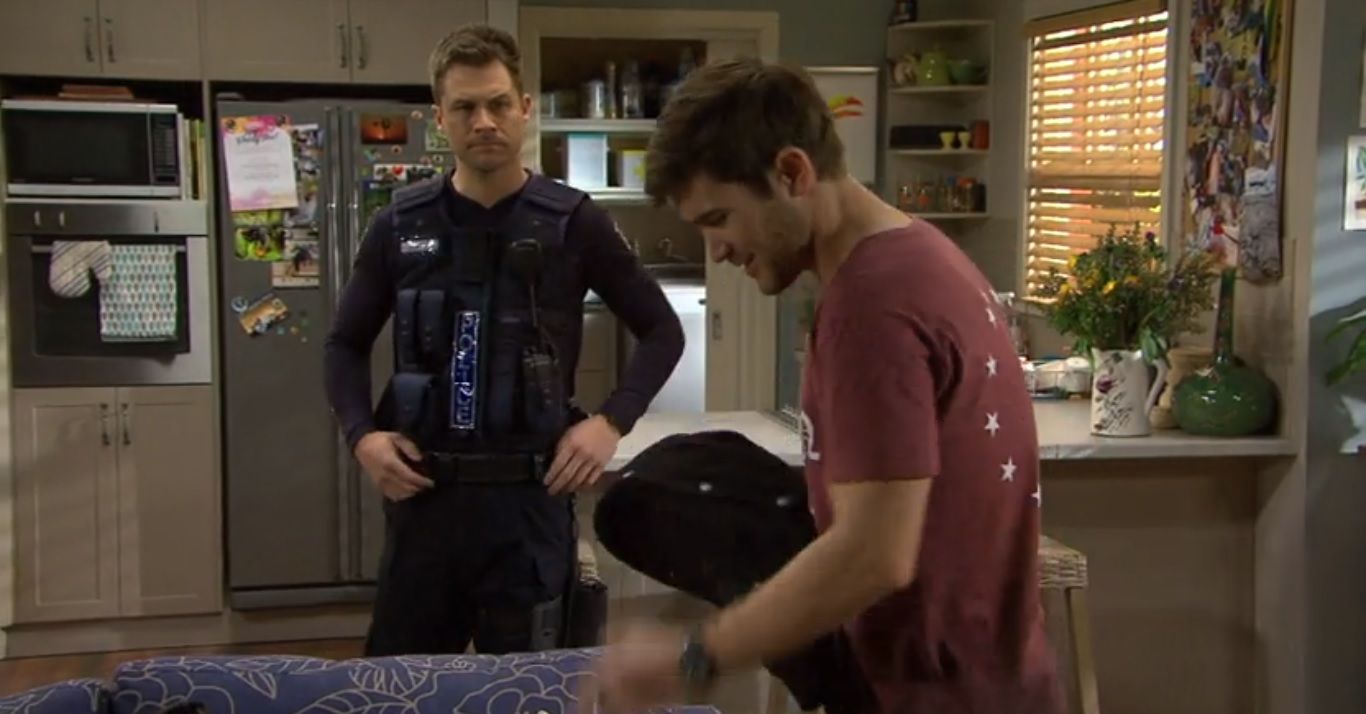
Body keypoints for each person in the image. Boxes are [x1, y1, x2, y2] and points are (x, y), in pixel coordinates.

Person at [585, 57, 1064, 714]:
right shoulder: (925, 253)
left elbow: (874, 555)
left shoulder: (871, 307)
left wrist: (695, 656)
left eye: (719, 218)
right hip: (998, 679)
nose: (716, 249)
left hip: (929, 695)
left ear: (792, 173)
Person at [323, 23, 684, 657]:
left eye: (497, 104)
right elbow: (343, 345)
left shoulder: (575, 222)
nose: (484, 122)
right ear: (440, 117)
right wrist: (363, 437)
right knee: (401, 691)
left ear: (524, 108)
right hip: (425, 503)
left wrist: (610, 423)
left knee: (529, 693)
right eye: (465, 107)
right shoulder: (399, 224)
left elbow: (662, 330)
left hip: (529, 506)